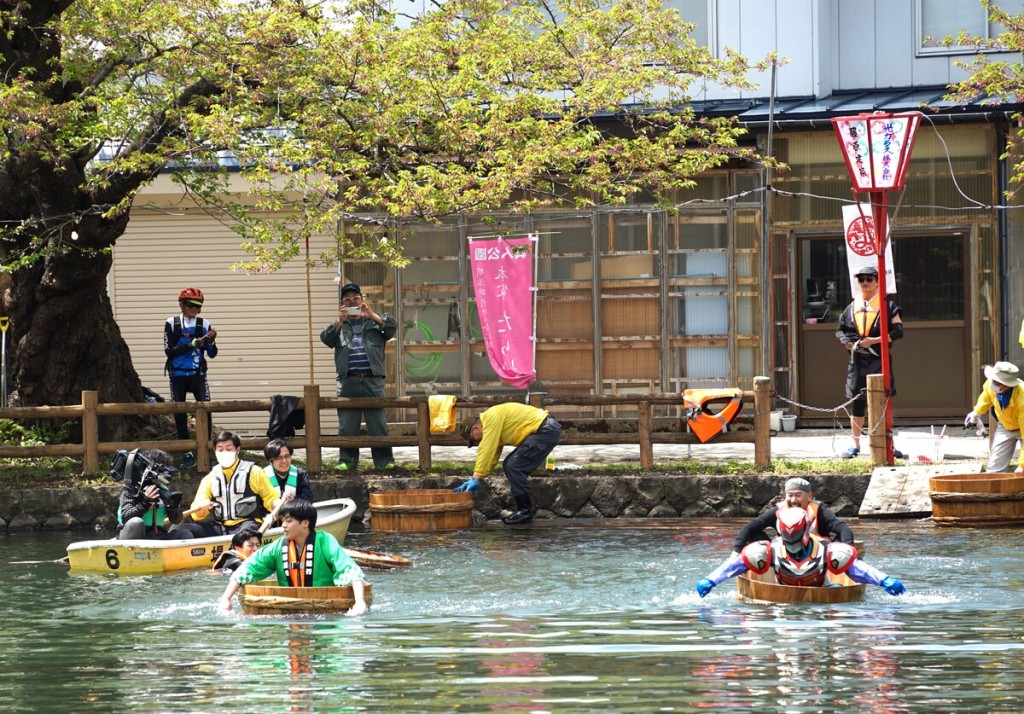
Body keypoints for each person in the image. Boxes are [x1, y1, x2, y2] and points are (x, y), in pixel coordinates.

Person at [696, 506, 906, 598]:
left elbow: (858, 569)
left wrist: (884, 580)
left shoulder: (828, 551)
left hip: (821, 597)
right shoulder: (768, 551)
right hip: (782, 605)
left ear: (805, 530)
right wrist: (710, 580)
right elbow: (734, 567)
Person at [218, 499, 368, 616]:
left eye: (289, 521)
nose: (283, 525)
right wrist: (226, 598)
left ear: (305, 523)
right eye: (283, 521)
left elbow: (348, 569)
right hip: (288, 611)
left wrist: (360, 602)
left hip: (326, 610)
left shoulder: (325, 541)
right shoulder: (278, 546)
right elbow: (249, 567)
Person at [319, 282, 398, 472]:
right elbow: (325, 339)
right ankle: (347, 461)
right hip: (348, 381)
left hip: (373, 380)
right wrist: (339, 322)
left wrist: (371, 315)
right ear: (342, 304)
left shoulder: (374, 322)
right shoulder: (339, 325)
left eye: (355, 298)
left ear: (362, 300)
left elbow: (392, 328)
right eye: (347, 300)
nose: (352, 301)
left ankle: (384, 460)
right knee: (347, 425)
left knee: (377, 424)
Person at [834, 264, 904, 459]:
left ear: (877, 282)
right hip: (857, 361)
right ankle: (854, 445)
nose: (864, 282)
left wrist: (874, 340)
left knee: (883, 402)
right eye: (861, 279)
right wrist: (846, 341)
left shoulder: (888, 305)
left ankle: (888, 444)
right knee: (856, 403)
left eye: (869, 279)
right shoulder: (851, 306)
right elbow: (840, 329)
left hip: (878, 359)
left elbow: (898, 332)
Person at [455, 402, 561, 525]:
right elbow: (493, 453)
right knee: (510, 465)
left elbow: (487, 448)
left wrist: (476, 477)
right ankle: (524, 511)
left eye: (473, 440)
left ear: (475, 428)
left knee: (514, 466)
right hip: (545, 429)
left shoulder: (491, 417)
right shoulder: (492, 421)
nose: (476, 443)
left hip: (545, 430)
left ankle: (525, 512)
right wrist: (478, 477)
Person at [172, 431, 281, 538]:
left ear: (237, 450)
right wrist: (201, 508)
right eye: (220, 449)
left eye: (229, 449)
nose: (224, 452)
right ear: (215, 451)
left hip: (248, 524)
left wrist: (278, 504)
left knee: (246, 533)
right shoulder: (210, 478)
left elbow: (271, 499)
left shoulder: (254, 471)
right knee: (181, 529)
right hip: (220, 527)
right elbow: (196, 513)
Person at [164, 287, 218, 469]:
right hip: (178, 374)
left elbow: (212, 354)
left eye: (199, 307)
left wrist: (210, 341)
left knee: (205, 410)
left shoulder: (204, 323)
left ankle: (207, 450)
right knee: (180, 412)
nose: (195, 310)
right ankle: (186, 452)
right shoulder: (172, 323)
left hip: (198, 375)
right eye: (191, 306)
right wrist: (192, 344)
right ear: (181, 305)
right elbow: (169, 351)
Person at [731, 477, 853, 554]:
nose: (793, 500)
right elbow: (749, 527)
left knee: (839, 542)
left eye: (798, 495)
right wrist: (737, 550)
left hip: (817, 556)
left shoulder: (820, 511)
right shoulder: (778, 510)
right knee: (755, 535)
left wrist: (847, 551)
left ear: (809, 496)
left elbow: (843, 529)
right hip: (783, 556)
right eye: (790, 495)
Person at [964, 361, 1024, 474]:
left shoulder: (1022, 398)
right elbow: (986, 397)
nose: (993, 384)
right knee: (994, 469)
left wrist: (1022, 465)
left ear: (1007, 385)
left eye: (998, 382)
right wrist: (976, 412)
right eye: (993, 380)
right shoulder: (991, 383)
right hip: (1005, 426)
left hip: (1022, 428)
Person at [116, 448, 187, 540]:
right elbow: (127, 518)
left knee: (185, 534)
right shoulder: (132, 488)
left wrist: (172, 506)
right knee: (136, 523)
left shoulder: (165, 488)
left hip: (157, 534)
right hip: (133, 535)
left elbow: (177, 520)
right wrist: (146, 501)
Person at [264, 438, 315, 503]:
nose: (284, 461)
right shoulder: (263, 476)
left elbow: (308, 499)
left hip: (295, 511)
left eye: (287, 456)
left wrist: (293, 499)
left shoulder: (300, 475)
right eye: (279, 458)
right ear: (270, 462)